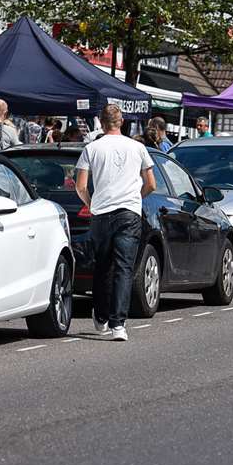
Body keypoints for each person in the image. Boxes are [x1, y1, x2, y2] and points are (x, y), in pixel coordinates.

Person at [73, 105, 156, 342]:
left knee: (102, 266)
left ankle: (101, 317)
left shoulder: (91, 148)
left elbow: (80, 186)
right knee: (124, 268)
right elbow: (151, 183)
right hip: (129, 212)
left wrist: (91, 203)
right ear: (122, 122)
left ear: (102, 121)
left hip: (101, 212)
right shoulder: (138, 147)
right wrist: (135, 198)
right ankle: (119, 324)